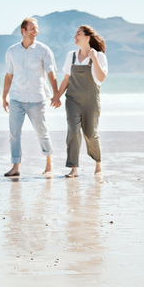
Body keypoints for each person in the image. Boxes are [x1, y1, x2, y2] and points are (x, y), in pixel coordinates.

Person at [2, 17, 59, 177]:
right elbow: (8, 75)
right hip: (16, 98)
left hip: (37, 99)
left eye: (37, 28)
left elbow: (51, 73)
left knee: (41, 131)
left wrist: (56, 94)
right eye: (32, 28)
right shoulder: (11, 51)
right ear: (23, 31)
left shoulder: (44, 50)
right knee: (14, 133)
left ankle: (49, 162)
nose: (36, 31)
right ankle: (15, 167)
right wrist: (4, 96)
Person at [52, 25, 108, 177]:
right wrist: (57, 95)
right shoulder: (71, 55)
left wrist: (94, 58)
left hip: (91, 101)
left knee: (90, 134)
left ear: (87, 37)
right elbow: (66, 79)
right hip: (72, 100)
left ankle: (98, 163)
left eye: (78, 34)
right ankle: (73, 168)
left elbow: (102, 78)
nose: (74, 37)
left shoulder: (100, 56)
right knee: (73, 131)